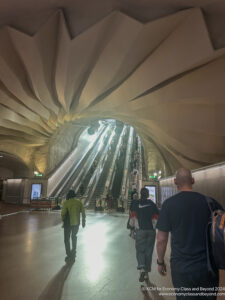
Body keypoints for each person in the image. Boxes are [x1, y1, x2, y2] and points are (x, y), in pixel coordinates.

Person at [156, 168, 223, 300]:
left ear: (175, 182)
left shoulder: (168, 205)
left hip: (182, 270)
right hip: (208, 268)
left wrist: (160, 262)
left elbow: (161, 239)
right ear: (193, 181)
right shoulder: (209, 202)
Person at [134, 187, 159, 282]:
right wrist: (153, 226)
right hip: (150, 231)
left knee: (140, 250)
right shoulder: (152, 204)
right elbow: (157, 217)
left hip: (140, 230)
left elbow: (133, 217)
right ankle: (146, 273)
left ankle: (142, 269)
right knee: (149, 251)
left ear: (140, 194)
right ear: (148, 194)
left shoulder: (137, 204)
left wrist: (134, 229)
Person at [61, 189, 86, 263]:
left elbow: (63, 213)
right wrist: (83, 221)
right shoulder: (79, 203)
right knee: (74, 237)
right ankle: (74, 251)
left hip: (68, 224)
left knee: (66, 239)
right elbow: (83, 212)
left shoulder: (66, 203)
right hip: (76, 223)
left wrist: (63, 220)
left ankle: (69, 254)